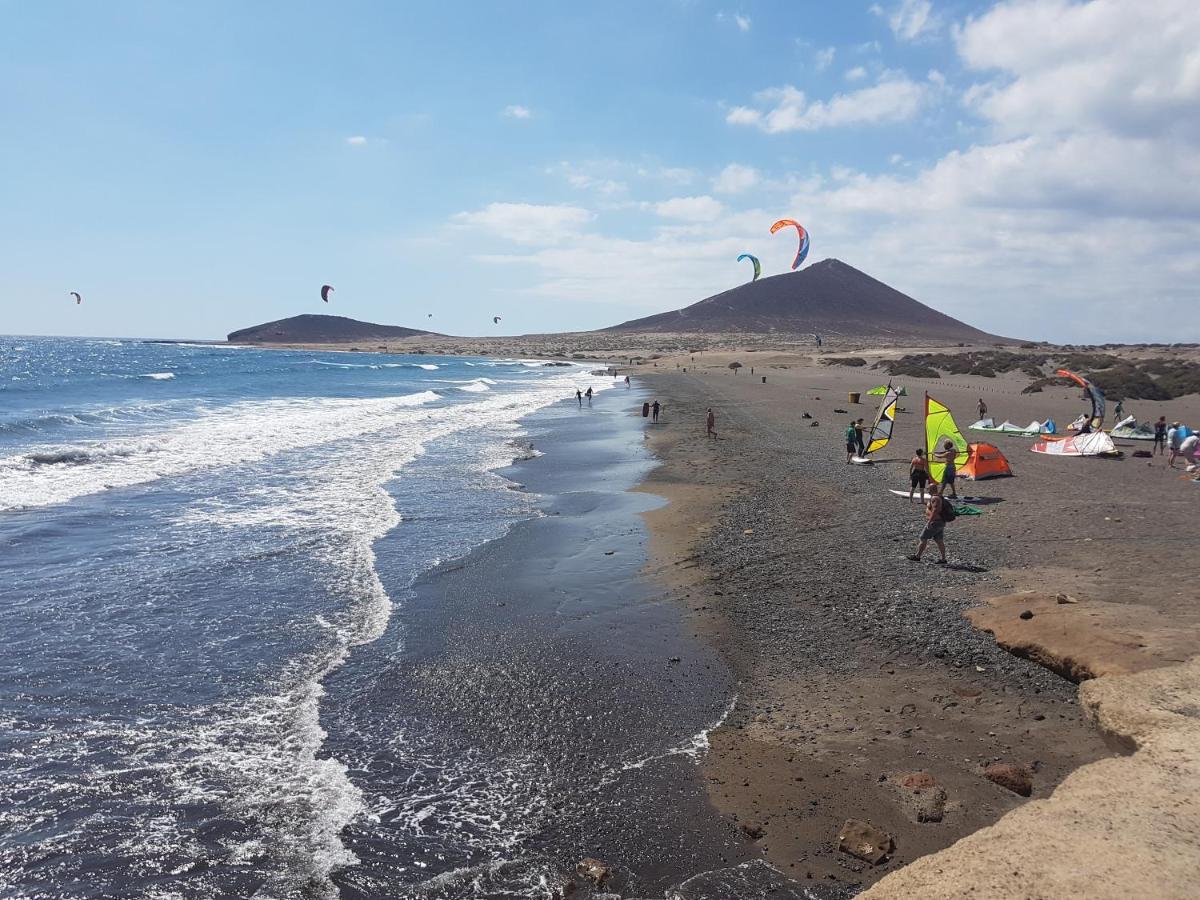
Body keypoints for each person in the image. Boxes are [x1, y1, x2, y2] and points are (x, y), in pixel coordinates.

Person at [908, 484, 948, 564]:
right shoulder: (937, 497)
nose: (927, 490)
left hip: (935, 522)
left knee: (923, 538)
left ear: (932, 489)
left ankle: (917, 556)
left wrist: (930, 522)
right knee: (939, 540)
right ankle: (943, 559)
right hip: (940, 522)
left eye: (928, 488)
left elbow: (935, 510)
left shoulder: (935, 498)